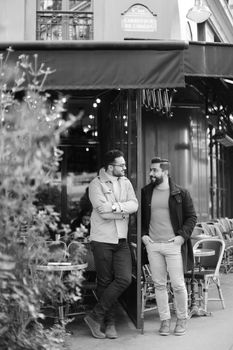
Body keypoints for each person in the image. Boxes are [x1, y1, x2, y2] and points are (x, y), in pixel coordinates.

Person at [84, 149, 138, 339]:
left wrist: (115, 207)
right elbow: (103, 213)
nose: (125, 167)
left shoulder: (126, 182)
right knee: (105, 282)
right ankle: (109, 323)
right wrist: (124, 210)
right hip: (102, 240)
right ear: (110, 166)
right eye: (121, 164)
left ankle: (95, 316)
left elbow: (135, 205)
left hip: (121, 239)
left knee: (125, 278)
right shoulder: (95, 184)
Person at [141, 157, 197, 336]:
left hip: (173, 245)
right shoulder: (145, 192)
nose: (151, 173)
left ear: (165, 172)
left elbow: (192, 217)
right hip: (153, 246)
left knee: (178, 285)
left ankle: (182, 319)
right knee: (159, 285)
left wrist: (181, 237)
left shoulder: (181, 193)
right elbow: (140, 217)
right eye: (151, 170)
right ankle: (165, 320)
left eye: (155, 170)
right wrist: (143, 236)